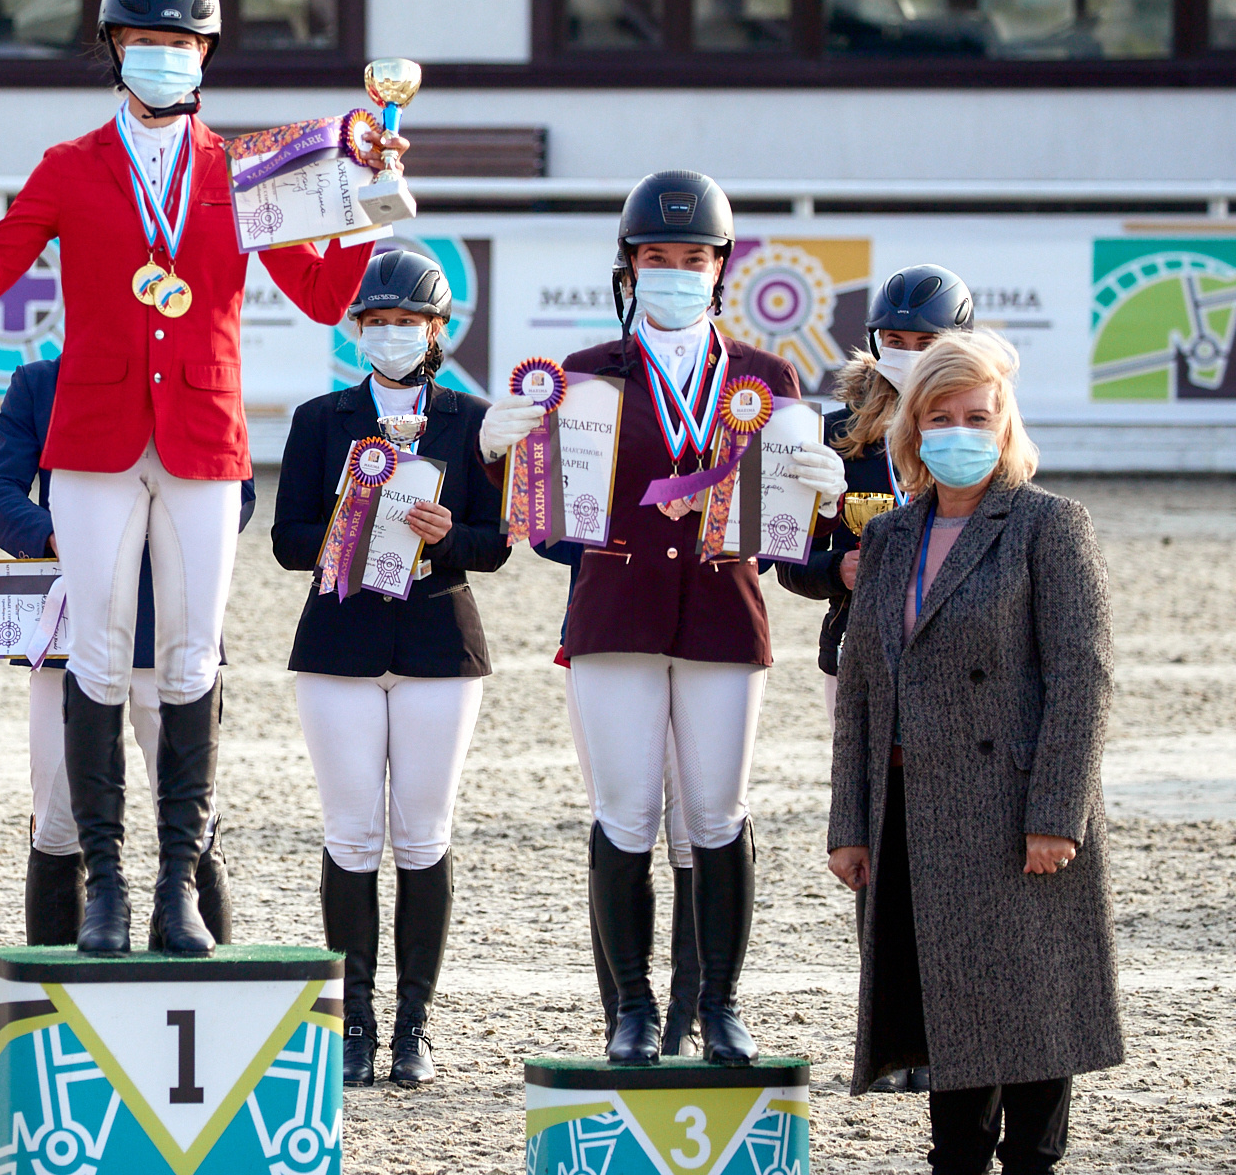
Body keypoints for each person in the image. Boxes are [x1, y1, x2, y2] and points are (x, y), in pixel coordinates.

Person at [0, 0, 392, 958]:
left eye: (179, 45)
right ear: (113, 50)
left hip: (204, 439)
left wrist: (366, 203)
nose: (162, 60)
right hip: (90, 439)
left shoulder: (244, 168)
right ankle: (107, 886)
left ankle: (179, 882)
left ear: (203, 55)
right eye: (144, 44)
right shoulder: (66, 167)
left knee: (188, 658)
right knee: (95, 651)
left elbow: (320, 298)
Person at [476, 172, 846, 1066]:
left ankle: (719, 1004)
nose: (675, 272)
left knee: (717, 811)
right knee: (627, 809)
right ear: (630, 267)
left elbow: (787, 523)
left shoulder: (765, 376)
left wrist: (828, 503)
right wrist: (496, 459)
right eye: (657, 258)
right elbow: (547, 522)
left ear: (720, 269)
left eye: (693, 258)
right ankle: (633, 1007)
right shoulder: (583, 377)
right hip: (617, 611)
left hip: (723, 612)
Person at [827, 331, 1121, 1175]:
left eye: (977, 417)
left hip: (1017, 802)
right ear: (914, 429)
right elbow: (863, 685)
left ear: (1005, 424)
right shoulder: (893, 536)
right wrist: (850, 819)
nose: (960, 431)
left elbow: (1083, 675)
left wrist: (1056, 814)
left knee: (1031, 995)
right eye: (941, 417)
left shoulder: (1048, 524)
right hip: (911, 803)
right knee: (942, 991)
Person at [271, 250, 509, 1087]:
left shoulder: (472, 420)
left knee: (423, 833)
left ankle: (414, 1024)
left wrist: (449, 534)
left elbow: (499, 542)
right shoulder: (319, 418)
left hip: (439, 642)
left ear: (437, 329)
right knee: (350, 833)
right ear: (356, 329)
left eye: (406, 321)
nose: (391, 334)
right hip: (339, 644)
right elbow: (285, 539)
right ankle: (354, 1022)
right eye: (375, 321)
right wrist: (347, 521)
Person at [775, 261, 974, 1093]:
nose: (910, 353)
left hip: (966, 668)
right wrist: (840, 570)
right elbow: (788, 559)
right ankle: (890, 1034)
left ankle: (954, 1031)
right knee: (877, 846)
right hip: (860, 659)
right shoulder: (833, 433)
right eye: (896, 341)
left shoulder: (979, 427)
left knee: (953, 846)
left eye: (926, 341)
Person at [0, 356, 250, 949]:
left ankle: (209, 979)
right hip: (72, 626)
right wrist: (60, 531)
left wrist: (169, 534)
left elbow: (236, 494)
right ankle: (53, 996)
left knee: (194, 823)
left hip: (169, 623)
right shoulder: (40, 385)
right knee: (57, 818)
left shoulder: (199, 377)